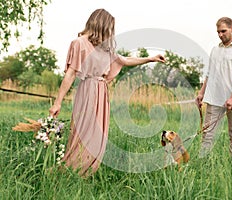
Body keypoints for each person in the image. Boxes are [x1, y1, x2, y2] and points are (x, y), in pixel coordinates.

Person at [49, 8, 165, 176]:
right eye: (110, 27)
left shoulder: (105, 48)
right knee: (83, 131)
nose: (111, 31)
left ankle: (87, 170)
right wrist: (58, 102)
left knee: (97, 134)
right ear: (102, 24)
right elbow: (70, 73)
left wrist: (150, 58)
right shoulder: (79, 43)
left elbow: (125, 60)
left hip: (102, 92)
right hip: (88, 90)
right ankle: (72, 168)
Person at [196, 17, 232, 158]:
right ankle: (203, 163)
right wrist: (202, 93)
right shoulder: (215, 50)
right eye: (218, 32)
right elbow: (209, 74)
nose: (220, 35)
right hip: (214, 98)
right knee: (207, 134)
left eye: (223, 31)